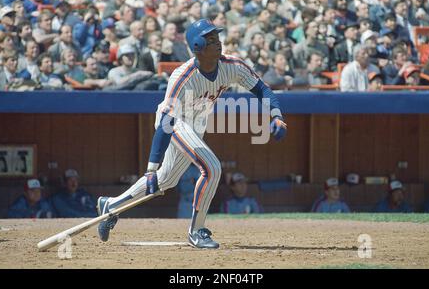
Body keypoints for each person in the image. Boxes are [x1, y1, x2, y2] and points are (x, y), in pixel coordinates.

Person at [95, 19, 287, 249]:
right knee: (212, 168)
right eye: (212, 40)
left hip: (196, 125)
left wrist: (276, 115)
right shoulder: (182, 76)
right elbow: (166, 121)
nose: (219, 43)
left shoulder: (232, 66)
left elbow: (262, 88)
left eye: (218, 38)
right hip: (176, 123)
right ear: (197, 46)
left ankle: (111, 206)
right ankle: (197, 231)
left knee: (165, 181)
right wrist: (150, 169)